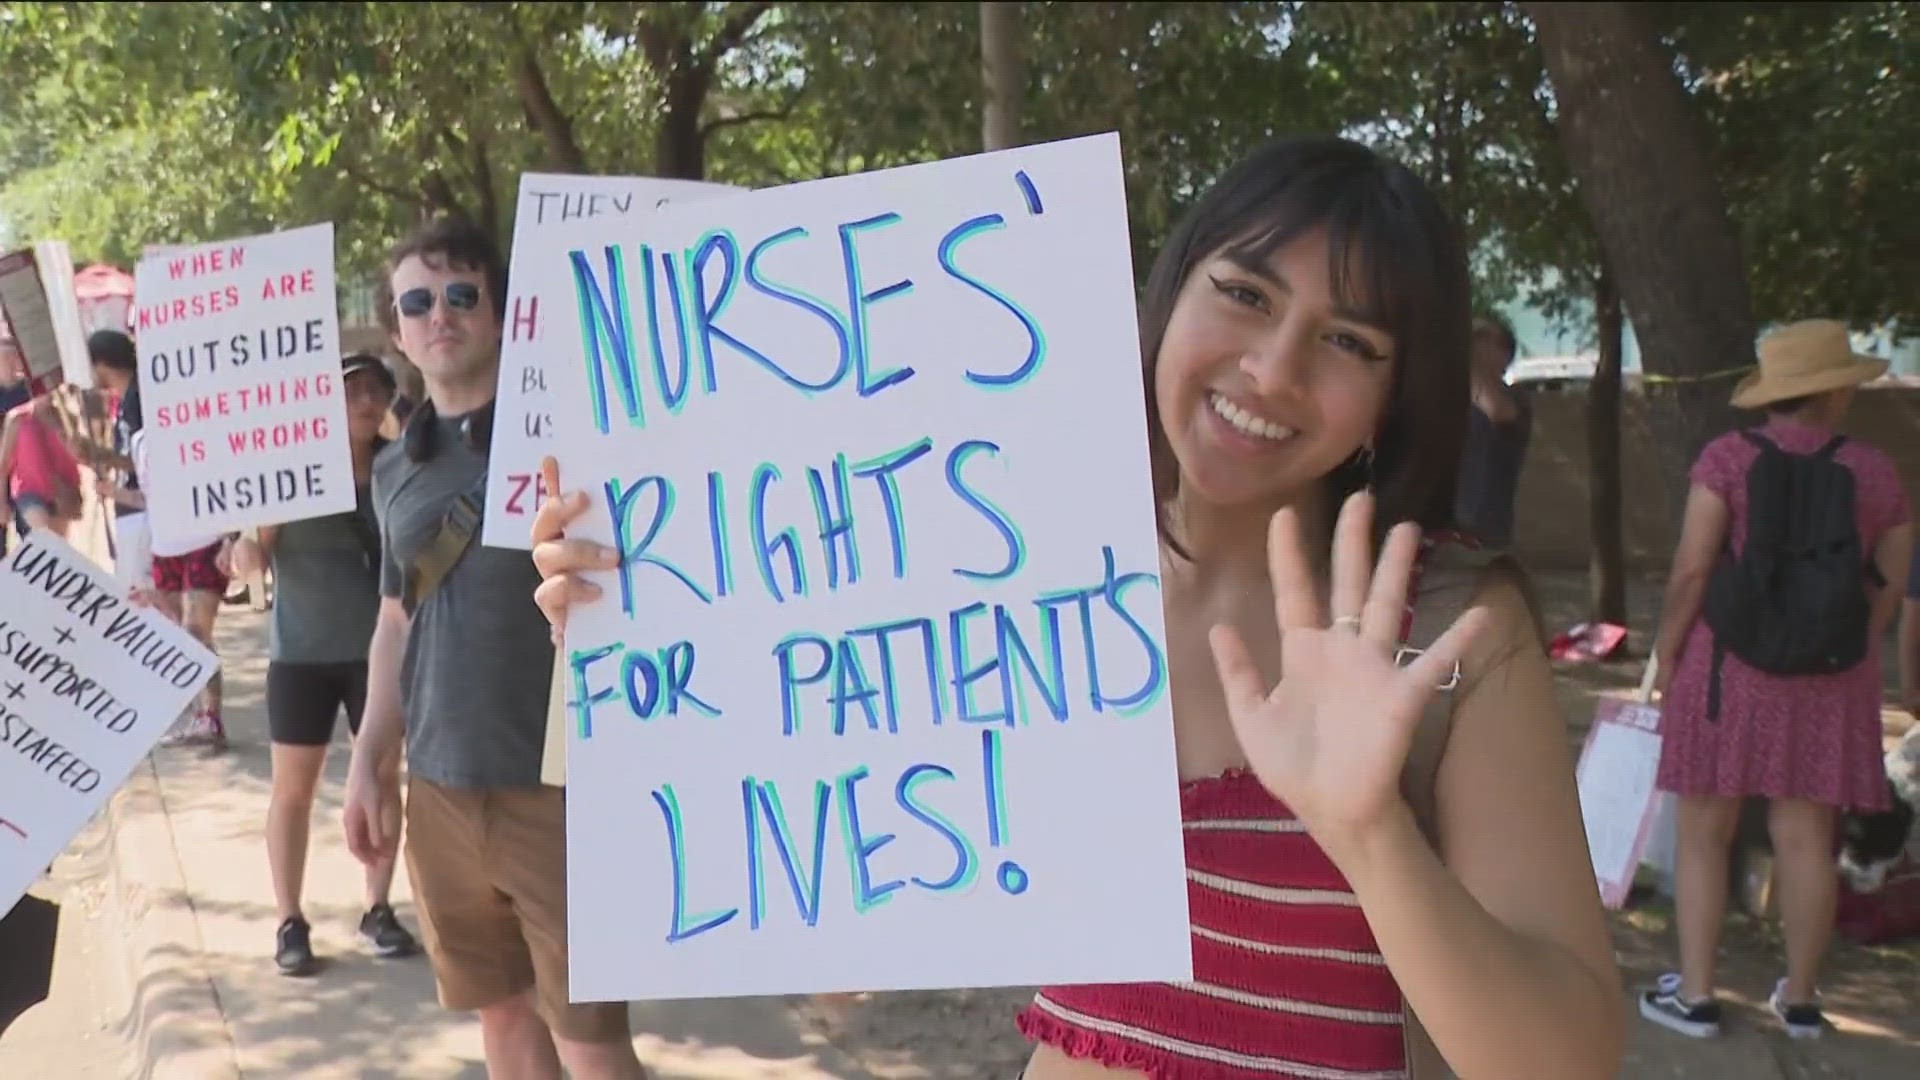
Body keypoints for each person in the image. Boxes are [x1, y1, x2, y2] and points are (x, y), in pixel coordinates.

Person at [529, 137, 1625, 1079]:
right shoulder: (1010, 562)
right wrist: (642, 628)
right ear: (1167, 296)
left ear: (1396, 396)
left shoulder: (1448, 627)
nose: (1273, 367)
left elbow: (1565, 1061)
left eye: (1350, 341)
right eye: (1244, 293)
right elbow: (823, 905)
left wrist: (1370, 835)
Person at [339, 216, 644, 1079]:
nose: (442, 314)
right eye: (419, 300)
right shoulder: (394, 468)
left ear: (504, 313)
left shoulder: (577, 447)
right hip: (437, 787)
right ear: (397, 327)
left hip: (556, 788)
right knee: (504, 1022)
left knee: (590, 1041)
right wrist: (369, 759)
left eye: (463, 294)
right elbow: (396, 619)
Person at [1642, 319, 1912, 1041]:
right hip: (1829, 677)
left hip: (1729, 666)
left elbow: (1693, 568)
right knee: (1805, 835)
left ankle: (1695, 996)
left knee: (1704, 832)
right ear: (1836, 393)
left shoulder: (1727, 458)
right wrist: (1856, 644)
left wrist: (1667, 652)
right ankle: (1799, 998)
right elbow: (1887, 579)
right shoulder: (1875, 471)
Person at [229, 352, 421, 977]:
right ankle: (290, 918)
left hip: (379, 657)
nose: (365, 401)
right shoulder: (290, 475)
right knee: (293, 792)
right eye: (352, 390)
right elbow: (252, 551)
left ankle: (377, 907)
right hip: (301, 656)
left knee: (385, 779)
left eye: (376, 391)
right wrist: (245, 551)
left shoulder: (402, 470)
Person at [1454, 313, 1532, 549]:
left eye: (1481, 337)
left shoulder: (1515, 398)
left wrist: (1473, 365)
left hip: (1481, 532)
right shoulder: (1455, 398)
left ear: (1504, 353)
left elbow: (1498, 411)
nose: (1472, 342)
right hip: (1440, 529)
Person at [0, 383, 83, 542]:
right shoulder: (18, 417)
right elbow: (3, 465)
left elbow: (77, 455)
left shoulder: (66, 418)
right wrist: (2, 502)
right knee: (46, 538)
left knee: (58, 547)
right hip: (29, 492)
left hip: (61, 490)